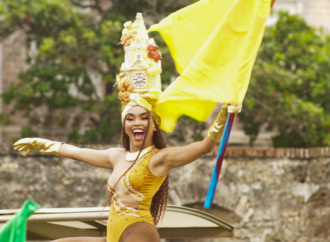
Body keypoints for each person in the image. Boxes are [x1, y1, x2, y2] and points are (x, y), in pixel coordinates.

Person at [13, 13, 242, 242]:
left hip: (138, 232)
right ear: (124, 126)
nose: (137, 123)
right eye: (130, 119)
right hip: (112, 237)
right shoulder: (116, 156)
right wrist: (41, 143)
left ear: (154, 126)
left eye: (144, 118)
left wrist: (223, 113)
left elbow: (204, 147)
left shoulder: (158, 159)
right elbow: (75, 152)